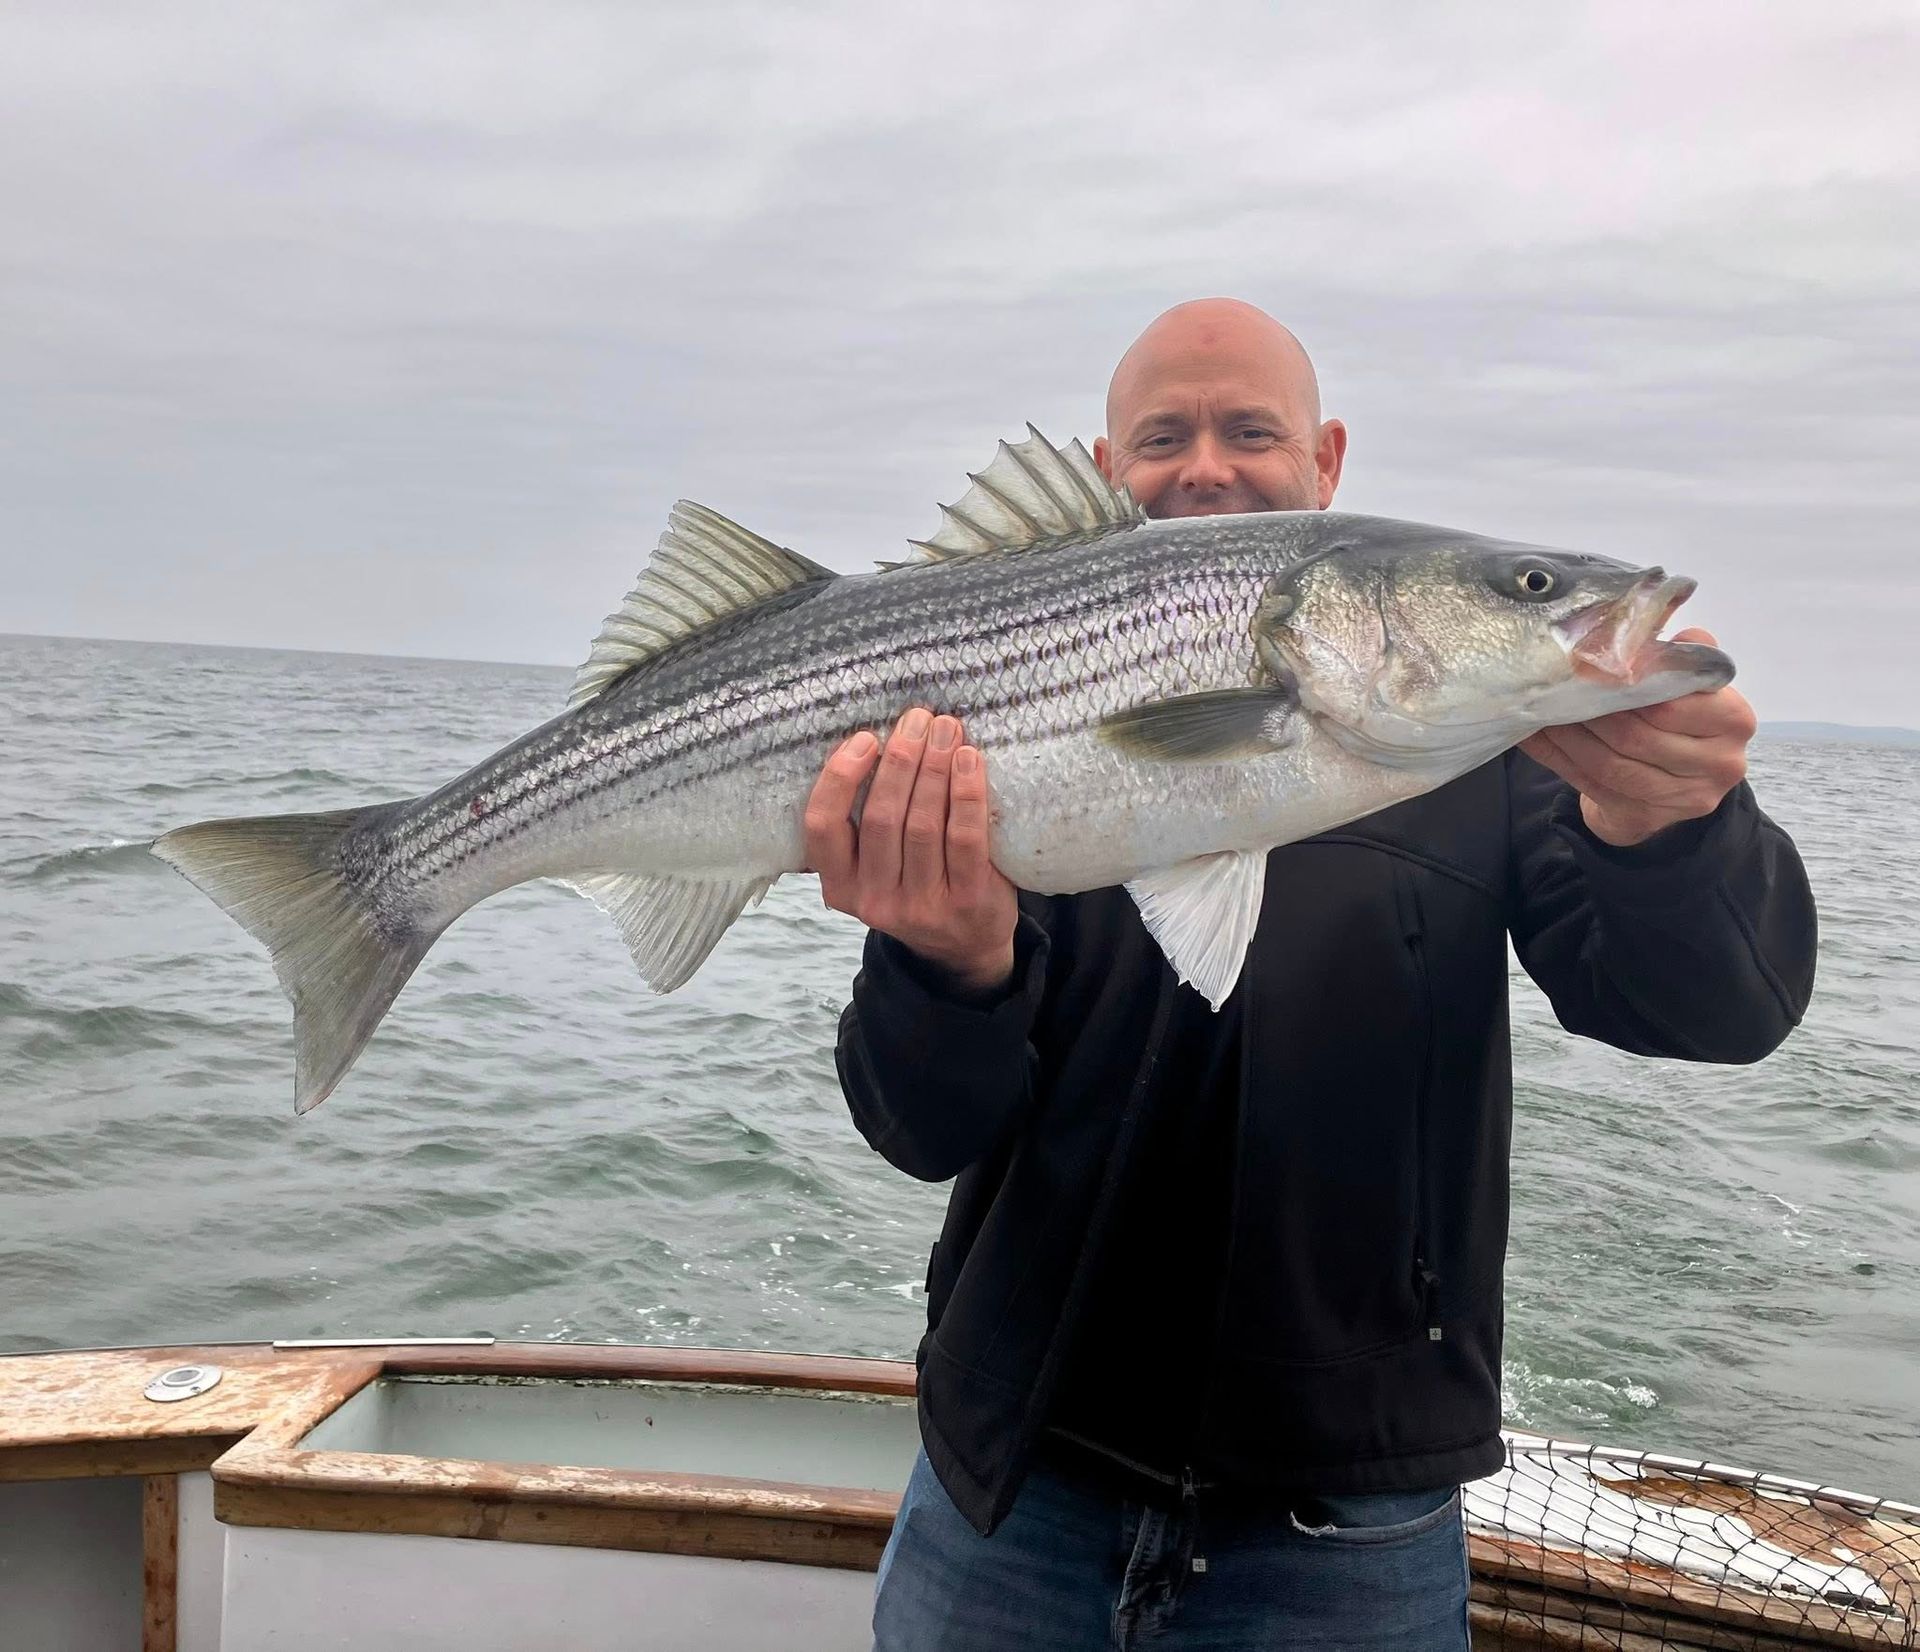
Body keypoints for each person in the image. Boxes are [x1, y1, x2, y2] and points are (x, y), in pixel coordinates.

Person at [804, 298, 1817, 1651]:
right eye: (1163, 436)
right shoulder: (1002, 742)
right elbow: (921, 1130)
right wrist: (949, 963)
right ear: (1109, 475)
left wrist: (1671, 836)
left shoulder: (1506, 761)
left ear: (1328, 462)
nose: (1206, 464)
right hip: (1013, 1495)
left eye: (1250, 430)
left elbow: (1718, 1012)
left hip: (1350, 1537)